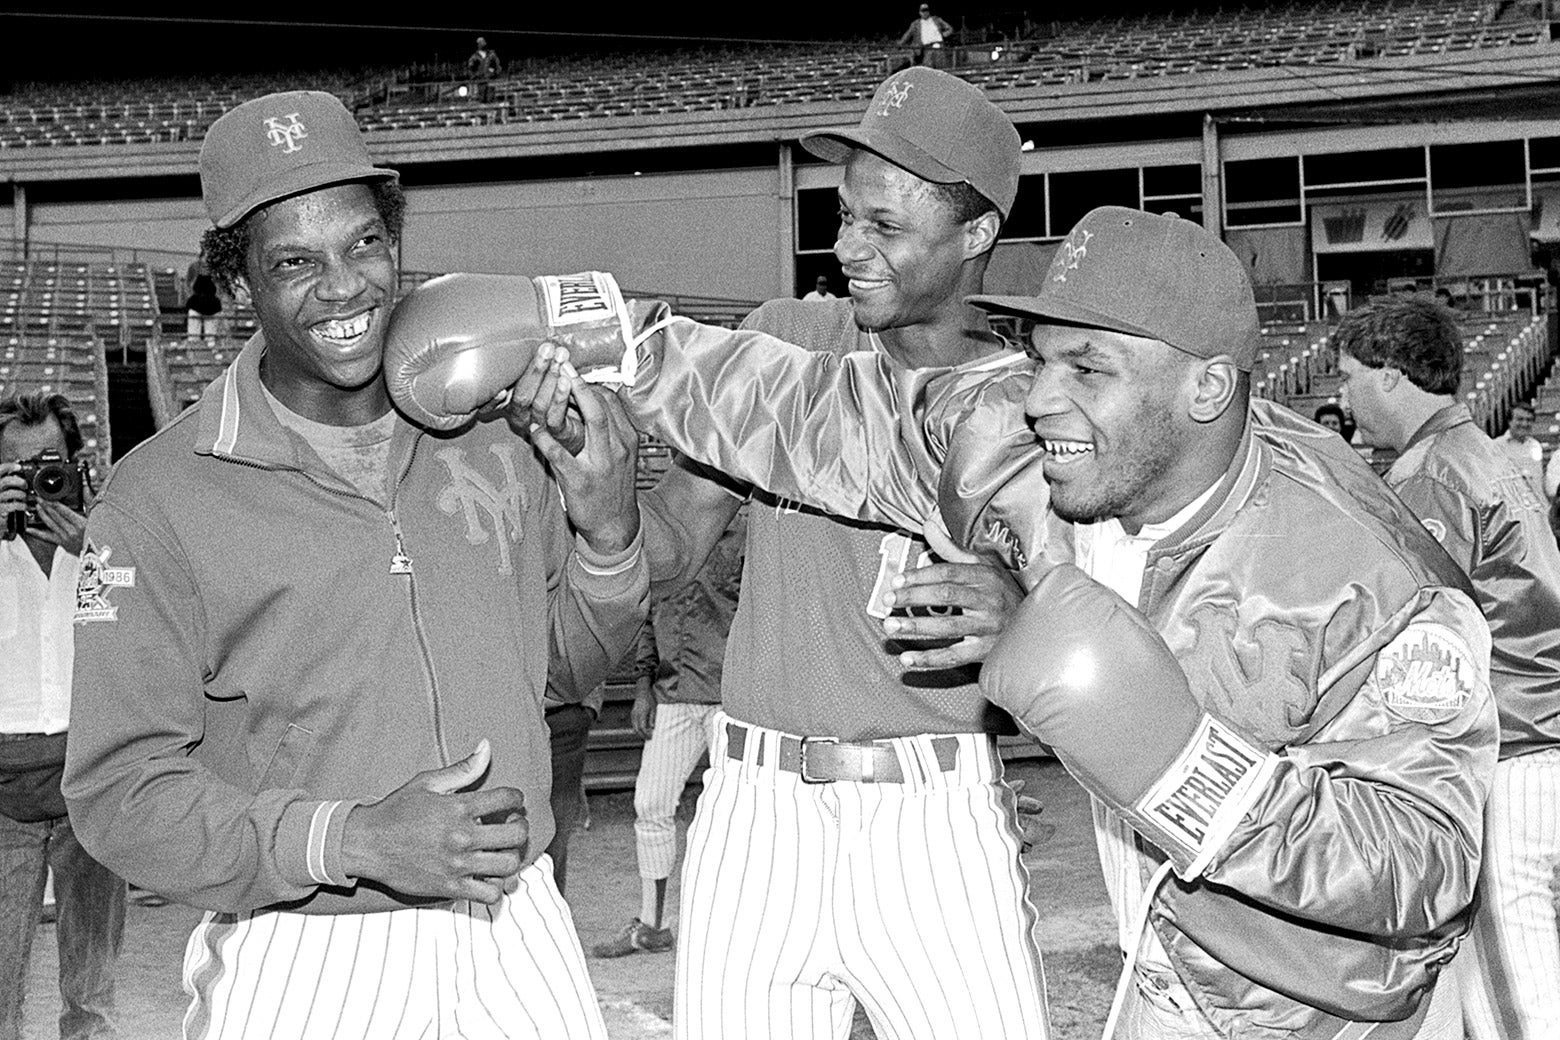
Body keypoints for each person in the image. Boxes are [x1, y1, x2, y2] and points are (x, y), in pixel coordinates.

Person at [507, 207, 1498, 1038]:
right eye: (1043, 356)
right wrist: (593, 329)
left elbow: (1427, 862)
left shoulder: (1370, 574)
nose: (1045, 394)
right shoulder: (1034, 444)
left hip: (1325, 1011)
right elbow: (809, 411)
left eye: (1091, 367)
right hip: (1163, 969)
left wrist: (1176, 763)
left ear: (1208, 385)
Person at [386, 66, 1052, 1040]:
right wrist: (602, 501)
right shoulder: (787, 335)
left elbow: (1074, 623)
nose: (846, 245)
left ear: (978, 232)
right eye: (843, 214)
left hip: (934, 806)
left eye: (883, 225)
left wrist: (1019, 602)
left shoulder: (1031, 406)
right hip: (756, 803)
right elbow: (671, 545)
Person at [62, 90, 647, 1040]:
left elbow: (566, 675)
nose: (344, 288)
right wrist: (351, 837)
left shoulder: (496, 432)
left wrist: (608, 536)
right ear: (238, 275)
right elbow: (119, 793)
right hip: (305, 954)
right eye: (295, 261)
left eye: (364, 244)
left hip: (517, 931)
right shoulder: (158, 499)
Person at [1333, 294, 1560, 1040]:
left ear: (1391, 377)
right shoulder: (1490, 452)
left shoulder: (1430, 473)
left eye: (1349, 376)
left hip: (1509, 756)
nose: (1341, 395)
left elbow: (1411, 647)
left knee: (1515, 995)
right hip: (1542, 741)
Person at [0, 391, 124, 1040]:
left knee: (92, 1005)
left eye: (48, 463)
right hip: (3, 806)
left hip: (92, 794)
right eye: (16, 470)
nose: (35, 481)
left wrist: (100, 547)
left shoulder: (116, 544)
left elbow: (156, 637)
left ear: (78, 464)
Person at [592, 509, 746, 959]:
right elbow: (646, 615)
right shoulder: (667, 528)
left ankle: (735, 928)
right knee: (651, 803)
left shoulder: (749, 528)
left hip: (730, 696)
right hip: (673, 688)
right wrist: (642, 688)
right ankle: (653, 925)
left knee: (737, 814)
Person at [1494, 402, 1545, 499]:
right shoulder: (1497, 446)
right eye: (1520, 419)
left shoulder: (1535, 445)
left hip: (1536, 504)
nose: (1524, 424)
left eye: (1529, 420)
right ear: (1509, 421)